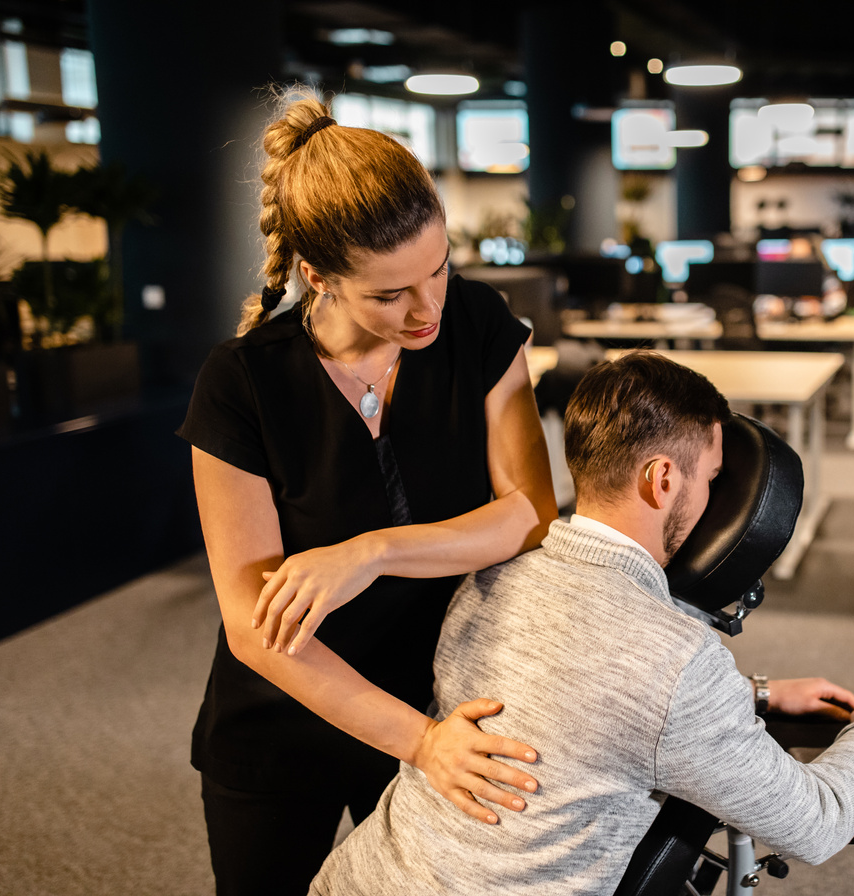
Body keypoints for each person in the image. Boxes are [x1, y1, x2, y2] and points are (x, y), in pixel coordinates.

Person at [310, 351, 854, 895]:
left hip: (355, 877)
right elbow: (814, 824)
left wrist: (755, 696)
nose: (714, 498)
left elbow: (581, 706)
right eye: (710, 478)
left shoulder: (492, 576)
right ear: (661, 480)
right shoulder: (674, 659)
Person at [177, 87, 558, 896]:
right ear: (316, 276)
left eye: (438, 269)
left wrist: (369, 553)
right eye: (390, 294)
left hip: (444, 698)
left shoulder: (481, 326)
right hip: (285, 728)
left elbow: (529, 516)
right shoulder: (240, 381)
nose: (427, 310)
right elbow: (255, 629)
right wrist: (417, 742)